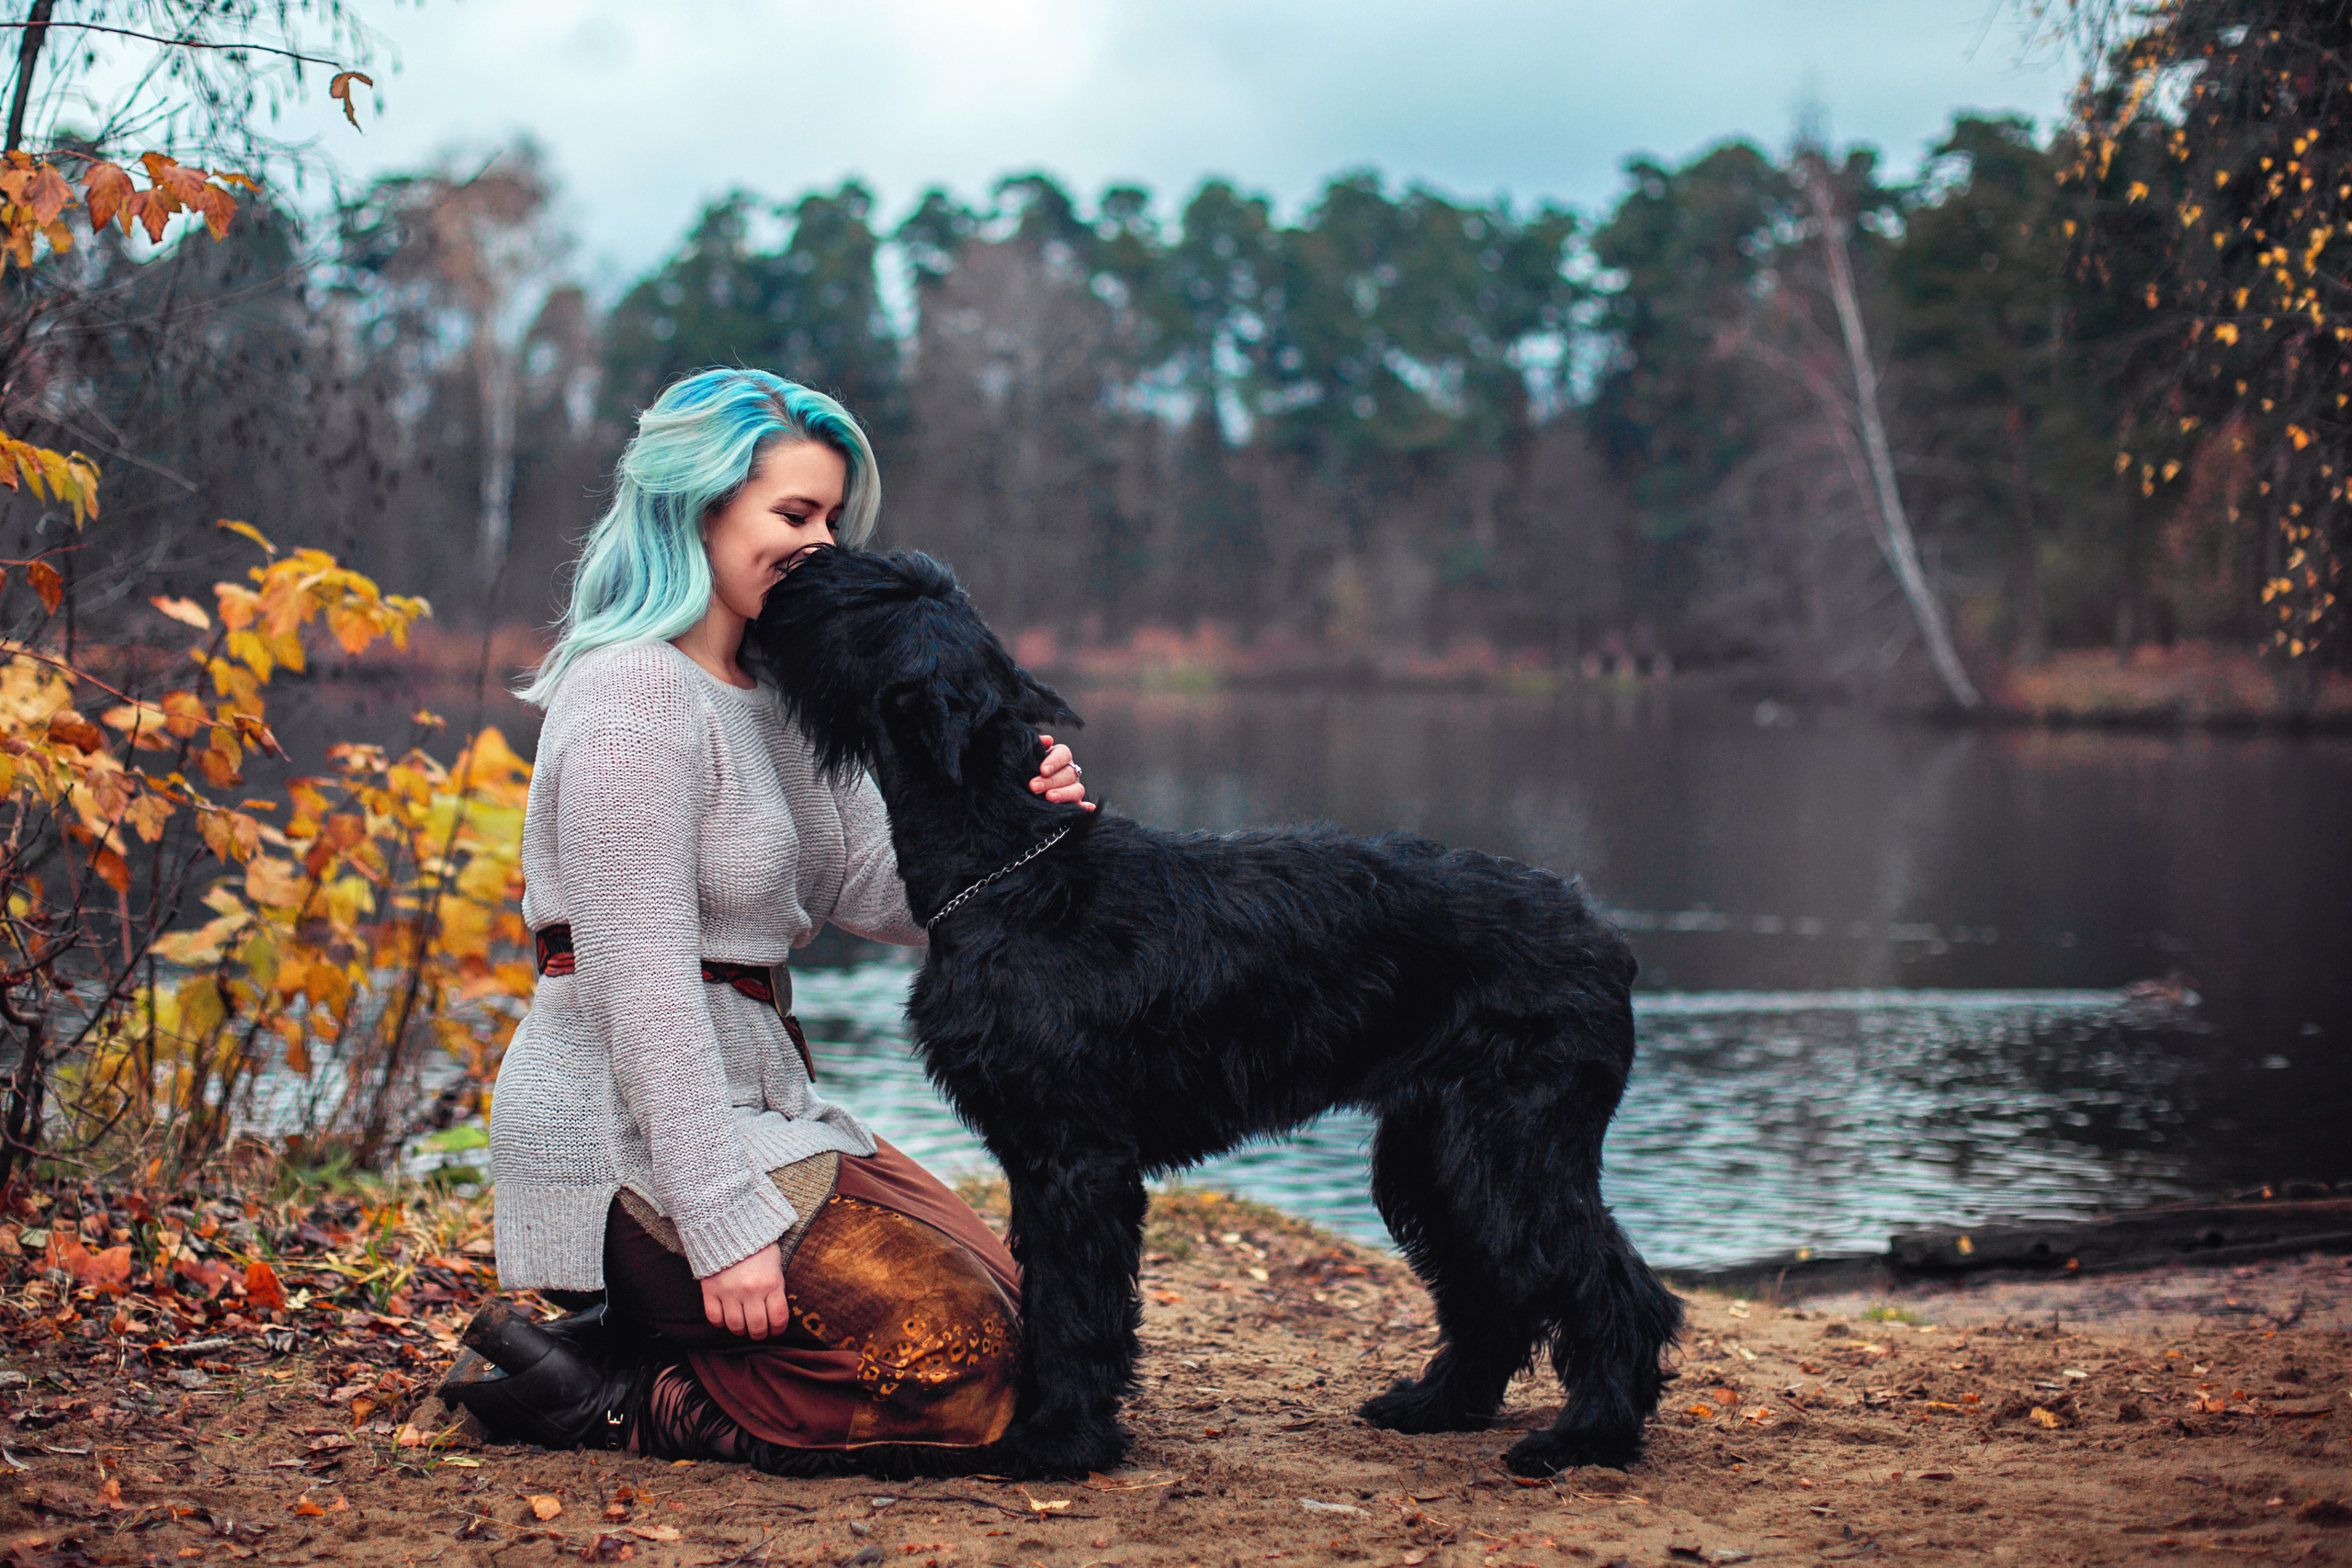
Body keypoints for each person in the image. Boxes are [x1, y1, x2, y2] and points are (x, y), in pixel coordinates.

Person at [439, 367, 1091, 1470]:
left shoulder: (777, 698)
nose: (821, 545)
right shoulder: (631, 699)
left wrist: (1012, 824)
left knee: (1035, 1335)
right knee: (956, 1365)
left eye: (832, 520)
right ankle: (617, 1396)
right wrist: (721, 1225)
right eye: (795, 514)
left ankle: (633, 1341)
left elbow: (880, 888)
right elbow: (639, 991)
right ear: (697, 508)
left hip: (766, 1107)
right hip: (629, 1141)